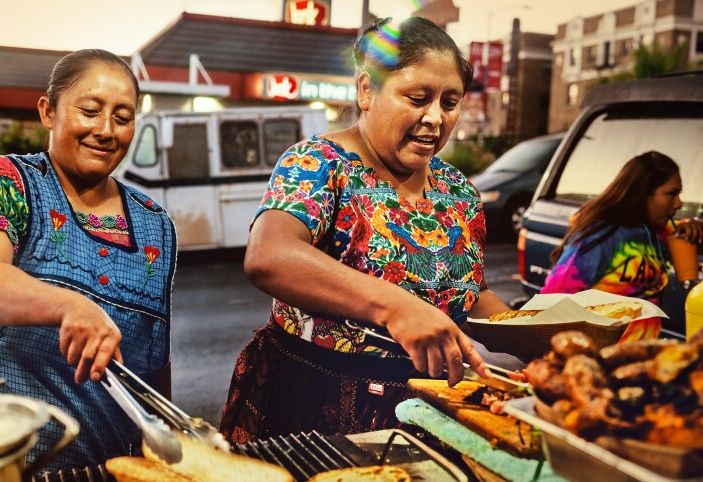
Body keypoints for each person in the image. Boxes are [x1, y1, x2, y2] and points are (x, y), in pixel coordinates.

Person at [219, 16, 510, 443]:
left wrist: (530, 332)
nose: (434, 118)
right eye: (417, 98)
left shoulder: (458, 191)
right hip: (314, 406)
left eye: (450, 102)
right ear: (366, 90)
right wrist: (395, 306)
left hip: (429, 406)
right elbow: (269, 255)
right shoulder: (318, 163)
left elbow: (469, 293)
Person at [0, 49, 176, 471]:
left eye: (122, 118)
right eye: (90, 111)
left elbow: (155, 358)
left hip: (117, 467)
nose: (105, 131)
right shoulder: (2, 182)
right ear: (48, 112)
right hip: (10, 463)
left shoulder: (155, 224)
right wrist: (69, 305)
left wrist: (170, 439)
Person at [541, 151, 703, 341]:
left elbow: (685, 231)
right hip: (602, 358)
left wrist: (696, 224)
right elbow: (553, 298)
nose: (678, 203)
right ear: (643, 194)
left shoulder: (658, 230)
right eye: (671, 194)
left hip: (637, 357)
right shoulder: (603, 235)